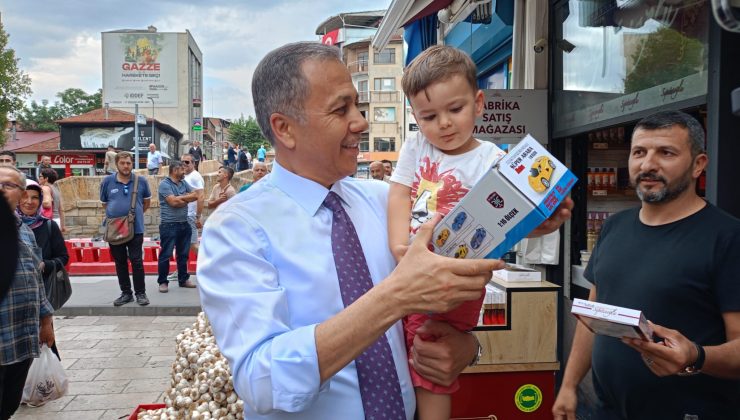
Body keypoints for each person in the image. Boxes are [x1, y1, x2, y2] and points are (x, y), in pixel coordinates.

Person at [198, 42, 569, 420]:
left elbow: (471, 233)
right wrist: (394, 298)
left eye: (357, 106)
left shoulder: (386, 202)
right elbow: (262, 381)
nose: (360, 122)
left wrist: (466, 346)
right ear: (285, 129)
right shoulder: (236, 229)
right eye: (341, 110)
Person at [552, 110, 740, 420]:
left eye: (666, 152)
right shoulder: (615, 226)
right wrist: (570, 385)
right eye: (639, 152)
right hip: (607, 411)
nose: (648, 164)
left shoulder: (727, 238)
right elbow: (594, 315)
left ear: (698, 165)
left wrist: (696, 355)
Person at [386, 45, 510, 420]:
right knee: (405, 350)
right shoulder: (417, 144)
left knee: (429, 356)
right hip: (413, 264)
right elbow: (400, 191)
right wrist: (397, 245)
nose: (442, 124)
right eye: (428, 116)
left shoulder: (493, 160)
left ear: (479, 102)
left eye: (454, 110)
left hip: (456, 275)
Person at [0, 166, 54, 420]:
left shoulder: (24, 231)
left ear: (21, 194)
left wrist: (46, 321)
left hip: (22, 334)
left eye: (8, 185)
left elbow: (35, 279)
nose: (1, 188)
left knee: (9, 401)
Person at [17, 179, 68, 360]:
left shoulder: (48, 226)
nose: (29, 202)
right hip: (14, 295)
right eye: (24, 196)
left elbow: (63, 257)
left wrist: (46, 265)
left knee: (45, 342)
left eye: (35, 198)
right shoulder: (9, 226)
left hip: (41, 293)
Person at [100, 152, 152, 306]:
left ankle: (141, 293)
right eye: (122, 163)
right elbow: (105, 203)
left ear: (132, 163)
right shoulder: (107, 181)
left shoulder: (141, 181)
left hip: (135, 228)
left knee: (137, 261)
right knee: (120, 262)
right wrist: (118, 217)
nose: (125, 166)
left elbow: (146, 203)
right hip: (115, 229)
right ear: (117, 164)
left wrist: (131, 218)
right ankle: (126, 293)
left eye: (128, 163)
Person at [157, 161, 199, 293]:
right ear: (175, 170)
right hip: (169, 225)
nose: (184, 171)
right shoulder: (165, 184)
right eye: (182, 169)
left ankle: (183, 279)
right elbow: (173, 202)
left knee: (183, 254)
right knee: (166, 254)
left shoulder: (183, 183)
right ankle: (163, 282)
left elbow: (196, 195)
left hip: (184, 223)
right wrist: (185, 199)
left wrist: (180, 199)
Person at [167, 154, 204, 283]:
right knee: (183, 246)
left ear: (194, 163)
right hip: (184, 215)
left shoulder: (195, 176)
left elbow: (201, 196)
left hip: (190, 215)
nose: (184, 164)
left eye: (187, 162)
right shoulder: (185, 177)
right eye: (182, 162)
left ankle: (213, 268)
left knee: (193, 245)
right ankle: (180, 272)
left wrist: (198, 217)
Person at [39, 168, 65, 234]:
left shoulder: (45, 188)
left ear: (46, 178)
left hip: (48, 220)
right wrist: (62, 225)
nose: (38, 178)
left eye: (40, 176)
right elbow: (61, 209)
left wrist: (37, 202)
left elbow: (47, 204)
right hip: (57, 220)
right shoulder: (56, 190)